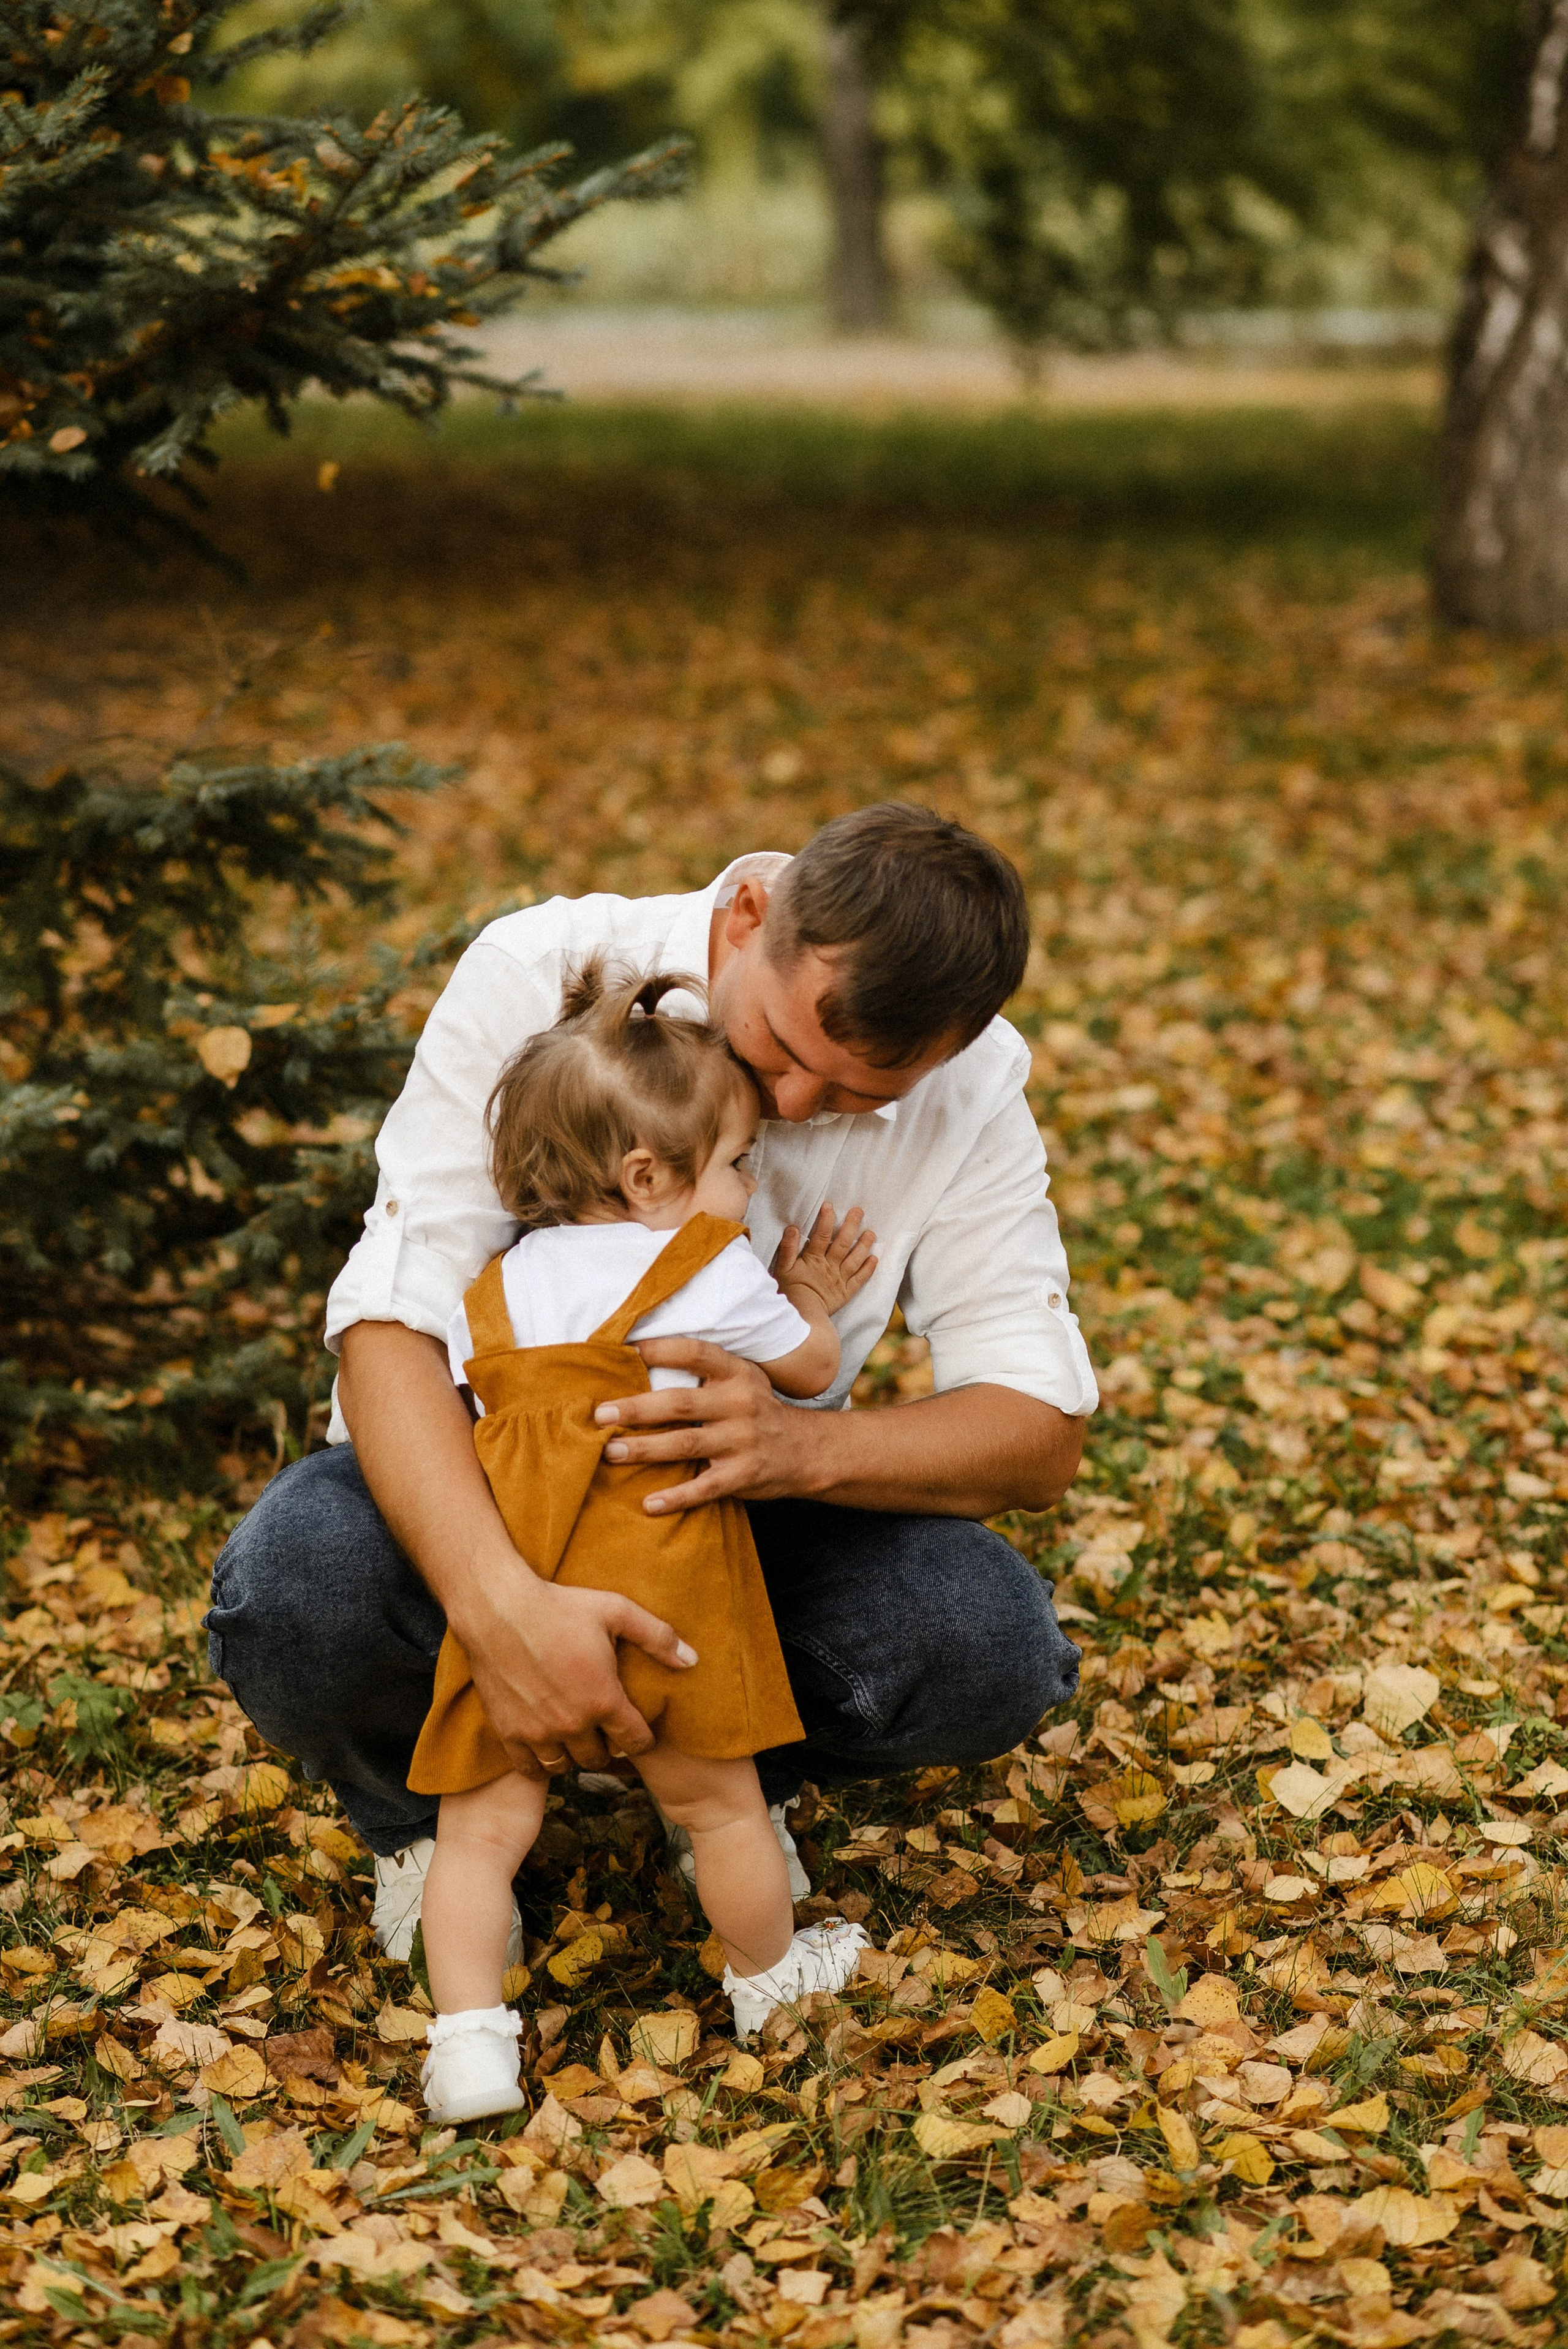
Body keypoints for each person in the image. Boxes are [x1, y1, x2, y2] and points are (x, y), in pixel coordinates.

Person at [205, 803, 1097, 1967]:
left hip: (737, 1526)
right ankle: (422, 1821)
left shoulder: (971, 1088)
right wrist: (498, 1611)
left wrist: (797, 1448)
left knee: (989, 1640)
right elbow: (390, 1328)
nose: (785, 1111)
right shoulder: (537, 974)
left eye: (849, 1099)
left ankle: (730, 1778)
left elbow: (1038, 1433)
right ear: (747, 916)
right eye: (779, 1049)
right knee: (293, 1587)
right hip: (490, 1496)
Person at [415, 960, 871, 2121]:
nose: (746, 1187)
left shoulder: (499, 1292)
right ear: (647, 1177)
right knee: (719, 1808)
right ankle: (770, 1981)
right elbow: (812, 1374)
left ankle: (468, 2042)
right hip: (666, 1588)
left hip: (525, 1600)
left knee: (475, 1834)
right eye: (733, 1166)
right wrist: (804, 1292)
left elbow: (484, 1422)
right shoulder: (708, 1267)